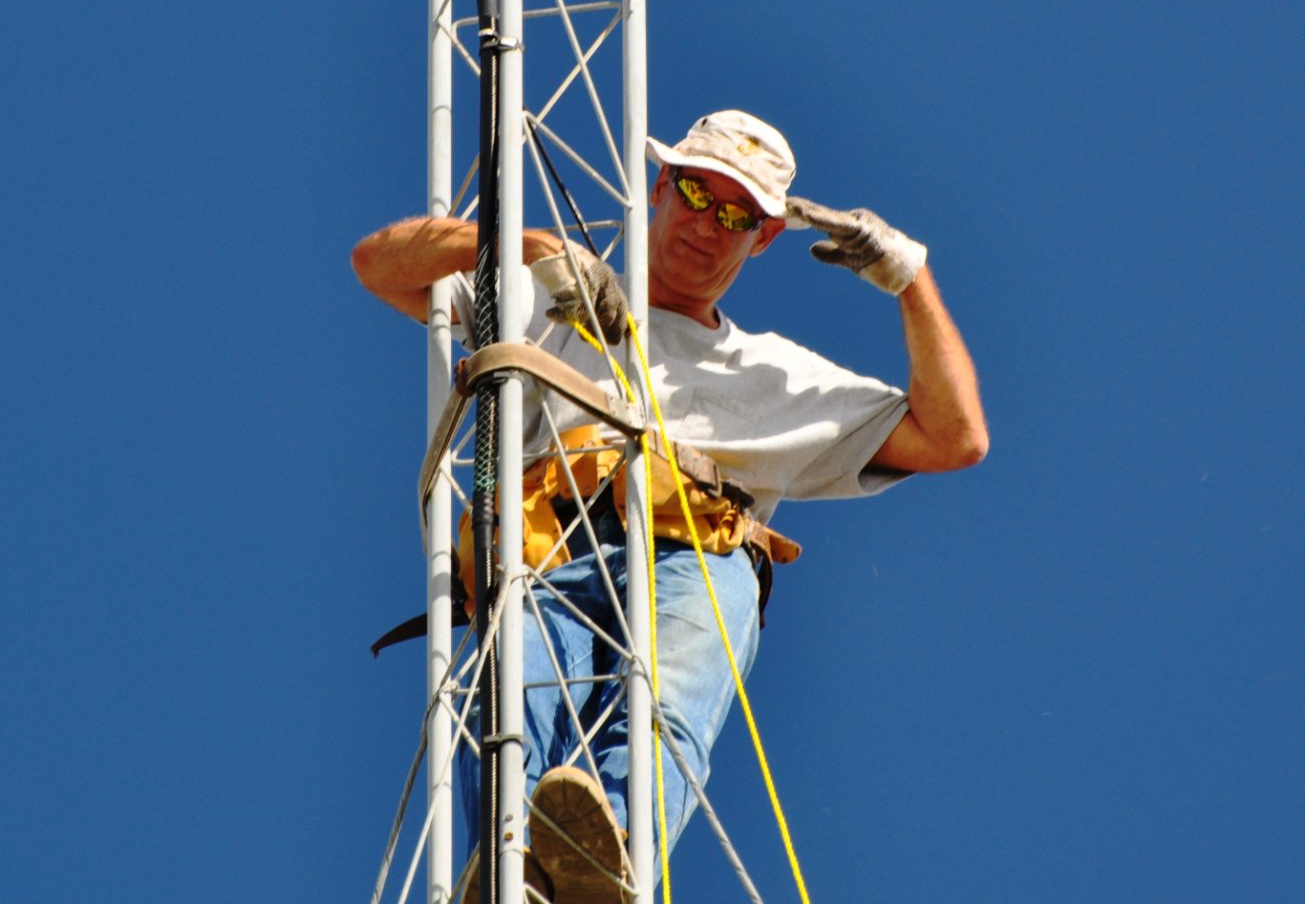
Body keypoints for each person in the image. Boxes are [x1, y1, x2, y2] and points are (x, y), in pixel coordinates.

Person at [351, 110, 988, 903]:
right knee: (512, 697)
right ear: (660, 186)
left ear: (763, 239)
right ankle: (518, 873)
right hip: (550, 546)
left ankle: (604, 864)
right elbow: (378, 264)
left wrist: (909, 279)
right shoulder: (548, 297)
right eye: (696, 194)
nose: (708, 227)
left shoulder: (773, 374)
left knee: (662, 706)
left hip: (696, 556)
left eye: (737, 216)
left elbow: (957, 436)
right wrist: (535, 248)